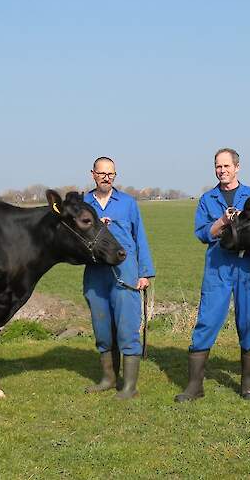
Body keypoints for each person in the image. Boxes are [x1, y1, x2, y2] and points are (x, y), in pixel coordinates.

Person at [176, 148, 250, 402]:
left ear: (237, 167)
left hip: (249, 266)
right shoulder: (207, 199)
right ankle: (195, 386)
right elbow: (202, 233)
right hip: (218, 265)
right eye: (218, 166)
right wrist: (223, 222)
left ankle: (247, 385)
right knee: (207, 319)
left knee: (249, 321)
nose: (222, 170)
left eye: (226, 166)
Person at [82, 156, 155, 399]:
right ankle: (108, 378)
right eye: (102, 173)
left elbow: (140, 237)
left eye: (111, 174)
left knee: (126, 329)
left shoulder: (127, 203)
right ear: (93, 174)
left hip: (125, 273)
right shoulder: (83, 204)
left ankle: (129, 386)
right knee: (102, 329)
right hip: (95, 274)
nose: (106, 177)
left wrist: (145, 273)